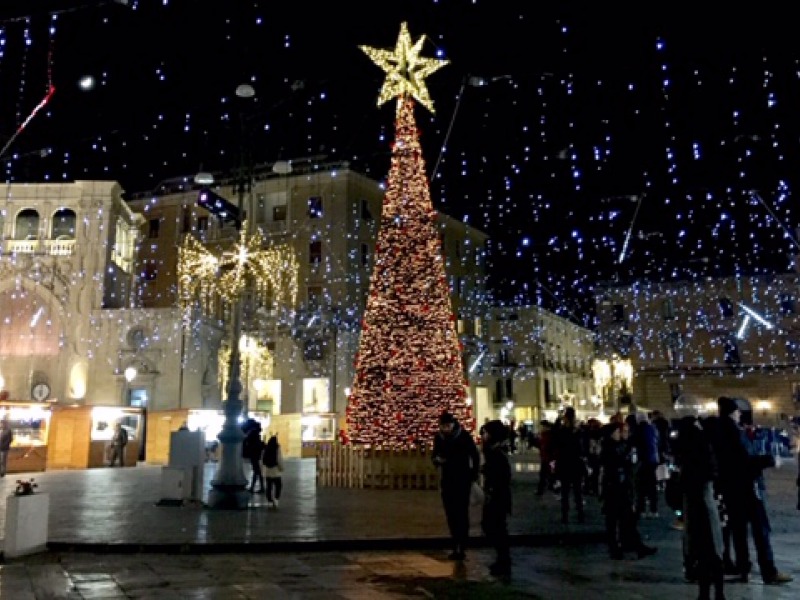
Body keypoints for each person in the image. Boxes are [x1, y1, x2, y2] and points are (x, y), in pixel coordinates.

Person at [713, 396, 791, 585]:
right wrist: (770, 460)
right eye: (738, 411)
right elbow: (744, 463)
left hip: (730, 488)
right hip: (747, 488)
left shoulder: (718, 431)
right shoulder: (734, 432)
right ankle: (768, 571)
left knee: (739, 531)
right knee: (760, 530)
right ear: (733, 412)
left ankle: (743, 569)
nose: (740, 414)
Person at [674, 415, 725, 600]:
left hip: (693, 502)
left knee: (700, 550)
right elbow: (711, 471)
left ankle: (705, 593)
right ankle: (717, 593)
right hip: (704, 500)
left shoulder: (685, 448)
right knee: (713, 549)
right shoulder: (702, 444)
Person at [600, 420, 657, 560]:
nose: (621, 434)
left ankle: (634, 545)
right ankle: (616, 548)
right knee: (613, 520)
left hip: (621, 487)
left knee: (627, 519)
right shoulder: (609, 447)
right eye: (618, 432)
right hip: (612, 488)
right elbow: (613, 463)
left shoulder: (620, 445)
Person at [432, 411, 480, 561]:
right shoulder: (439, 438)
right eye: (443, 426)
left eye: (448, 426)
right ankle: (455, 543)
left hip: (462, 478)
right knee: (451, 514)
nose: (445, 429)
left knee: (461, 513)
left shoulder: (463, 436)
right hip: (447, 480)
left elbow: (475, 455)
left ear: (453, 424)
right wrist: (437, 460)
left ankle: (461, 545)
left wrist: (473, 474)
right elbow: (434, 455)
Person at [479, 419, 512, 577]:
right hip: (495, 495)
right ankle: (502, 558)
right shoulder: (492, 451)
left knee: (495, 526)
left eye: (486, 433)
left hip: (497, 496)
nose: (483, 436)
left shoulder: (497, 453)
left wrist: (492, 488)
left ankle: (503, 559)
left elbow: (502, 475)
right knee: (493, 526)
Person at [552, 406, 586, 524]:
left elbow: (554, 437)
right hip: (575, 463)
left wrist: (558, 418)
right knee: (577, 492)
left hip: (565, 464)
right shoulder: (577, 431)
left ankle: (565, 515)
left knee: (565, 491)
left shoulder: (563, 431)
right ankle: (580, 514)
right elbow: (582, 448)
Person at [262, 434, 284, 508]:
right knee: (278, 486)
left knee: (269, 487)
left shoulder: (266, 448)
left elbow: (263, 459)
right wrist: (282, 468)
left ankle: (269, 501)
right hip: (275, 471)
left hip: (268, 471)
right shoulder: (277, 448)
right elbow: (279, 459)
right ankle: (276, 499)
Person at [242, 425, 265, 493]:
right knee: (257, 472)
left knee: (256, 471)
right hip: (256, 455)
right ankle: (259, 487)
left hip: (253, 455)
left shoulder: (251, 434)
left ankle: (254, 487)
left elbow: (246, 442)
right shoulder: (257, 436)